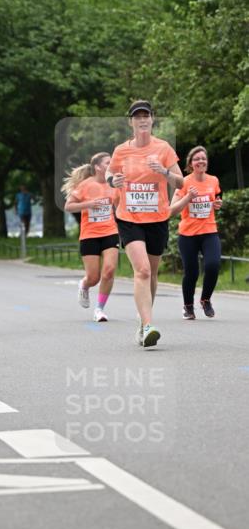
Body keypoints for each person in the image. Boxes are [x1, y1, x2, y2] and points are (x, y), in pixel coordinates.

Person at [107, 101, 183, 347]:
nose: (142, 120)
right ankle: (149, 325)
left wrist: (164, 172)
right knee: (142, 270)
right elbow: (110, 173)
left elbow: (181, 182)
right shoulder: (121, 150)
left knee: (152, 273)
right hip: (129, 218)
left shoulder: (163, 148)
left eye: (145, 116)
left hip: (157, 219)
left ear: (152, 119)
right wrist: (113, 181)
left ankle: (142, 321)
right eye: (137, 116)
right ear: (131, 122)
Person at [62, 153, 120, 322]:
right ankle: (84, 285)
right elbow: (68, 206)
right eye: (108, 163)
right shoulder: (86, 185)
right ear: (98, 167)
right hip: (90, 235)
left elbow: (119, 206)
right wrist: (88, 204)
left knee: (109, 271)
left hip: (110, 231)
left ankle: (99, 309)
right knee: (94, 278)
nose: (111, 165)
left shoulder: (113, 184)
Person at [169, 145, 223, 319]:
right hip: (188, 235)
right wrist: (188, 197)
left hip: (209, 231)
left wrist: (217, 204)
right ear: (190, 163)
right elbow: (171, 210)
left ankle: (205, 299)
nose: (201, 161)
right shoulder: (183, 182)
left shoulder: (213, 180)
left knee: (213, 265)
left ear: (207, 162)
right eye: (197, 159)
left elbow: (216, 199)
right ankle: (188, 306)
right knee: (191, 273)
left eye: (203, 158)